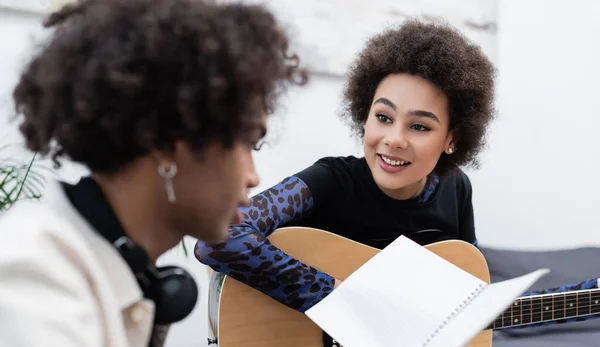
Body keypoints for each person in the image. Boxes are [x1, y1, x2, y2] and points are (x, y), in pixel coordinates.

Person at [0, 0, 414, 347]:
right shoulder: (33, 276)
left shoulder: (120, 271)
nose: (253, 175)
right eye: (246, 145)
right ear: (167, 144)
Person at [195, 19, 496, 313]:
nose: (394, 139)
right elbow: (220, 237)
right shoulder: (330, 181)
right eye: (383, 117)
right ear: (365, 115)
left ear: (452, 139)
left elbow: (469, 283)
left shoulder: (455, 187)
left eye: (419, 126)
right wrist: (336, 297)